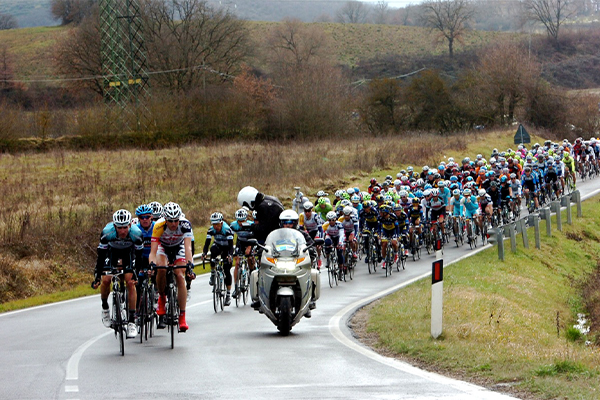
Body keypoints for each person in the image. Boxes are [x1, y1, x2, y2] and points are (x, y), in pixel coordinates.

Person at [91, 209, 144, 339]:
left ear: (130, 225)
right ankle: (105, 308)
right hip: (111, 253)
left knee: (130, 282)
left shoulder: (136, 234)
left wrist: (136, 273)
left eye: (125, 227)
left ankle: (131, 321)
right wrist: (98, 274)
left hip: (128, 253)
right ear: (114, 226)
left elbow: (139, 256)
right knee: (106, 280)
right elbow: (101, 256)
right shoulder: (107, 233)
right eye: (119, 228)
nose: (122, 231)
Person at [149, 202, 194, 331]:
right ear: (165, 219)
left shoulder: (185, 225)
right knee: (161, 268)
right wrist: (152, 264)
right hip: (163, 247)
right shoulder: (158, 226)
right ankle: (162, 298)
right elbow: (153, 251)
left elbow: (188, 248)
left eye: (176, 220)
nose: (174, 224)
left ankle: (182, 317)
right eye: (170, 221)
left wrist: (189, 264)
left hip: (178, 247)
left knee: (180, 275)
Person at [201, 212, 235, 306]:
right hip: (218, 245)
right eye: (214, 224)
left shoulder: (227, 230)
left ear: (221, 222)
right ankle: (213, 273)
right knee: (213, 250)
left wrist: (230, 255)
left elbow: (231, 246)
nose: (216, 226)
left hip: (227, 248)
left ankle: (228, 294)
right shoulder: (211, 230)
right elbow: (207, 243)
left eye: (217, 224)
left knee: (227, 270)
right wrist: (204, 253)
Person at [230, 209, 255, 300]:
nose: (240, 223)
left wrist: (249, 248)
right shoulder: (233, 225)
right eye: (239, 221)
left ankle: (252, 273)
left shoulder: (251, 224)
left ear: (246, 219)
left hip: (249, 241)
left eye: (242, 221)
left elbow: (253, 236)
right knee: (237, 263)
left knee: (249, 257)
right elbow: (230, 237)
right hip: (240, 242)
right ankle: (236, 287)